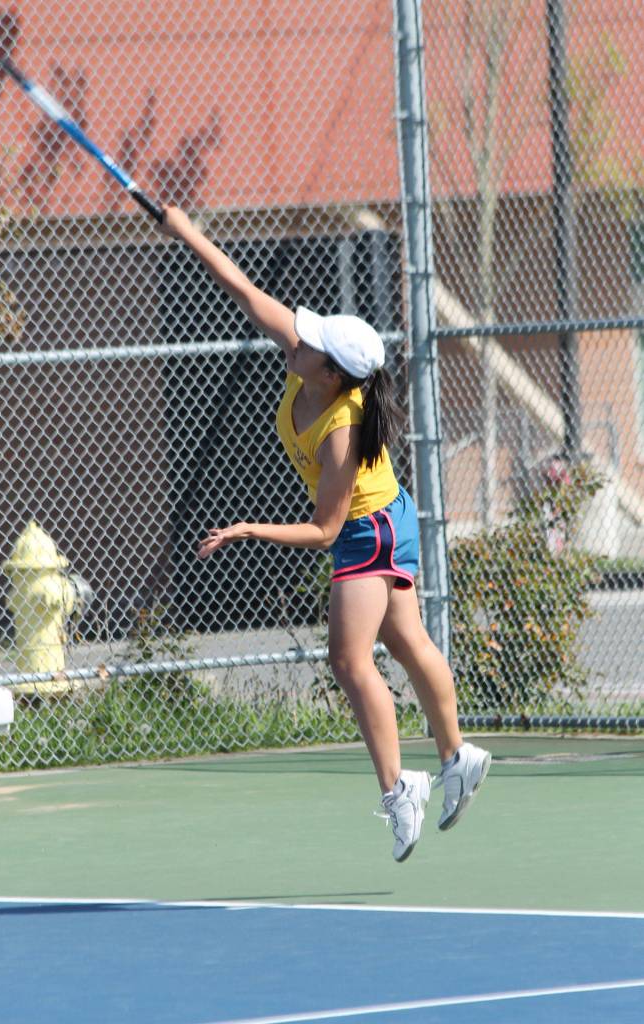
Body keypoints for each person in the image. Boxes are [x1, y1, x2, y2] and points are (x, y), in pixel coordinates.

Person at [160, 205, 491, 863]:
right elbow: (247, 293)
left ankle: (403, 786)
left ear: (331, 372)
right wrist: (186, 229)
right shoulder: (309, 363)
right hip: (388, 517)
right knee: (405, 639)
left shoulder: (341, 429)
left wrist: (250, 528)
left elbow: (324, 529)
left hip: (366, 532)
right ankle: (459, 755)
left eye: (308, 340)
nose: (296, 338)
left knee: (348, 659)